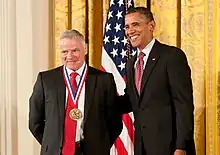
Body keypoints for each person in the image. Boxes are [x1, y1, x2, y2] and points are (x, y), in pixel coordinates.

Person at [29, 29, 122, 155]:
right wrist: (52, 144)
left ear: (86, 49)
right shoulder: (45, 80)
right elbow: (35, 122)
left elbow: (114, 122)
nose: (70, 56)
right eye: (64, 52)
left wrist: (100, 146)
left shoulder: (103, 80)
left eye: (75, 50)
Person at [119, 7, 196, 155]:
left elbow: (183, 104)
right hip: (142, 147)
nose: (130, 31)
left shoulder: (171, 56)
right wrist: (98, 98)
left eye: (135, 24)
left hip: (170, 147)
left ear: (151, 26)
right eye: (127, 27)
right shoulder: (131, 63)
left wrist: (181, 147)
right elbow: (131, 101)